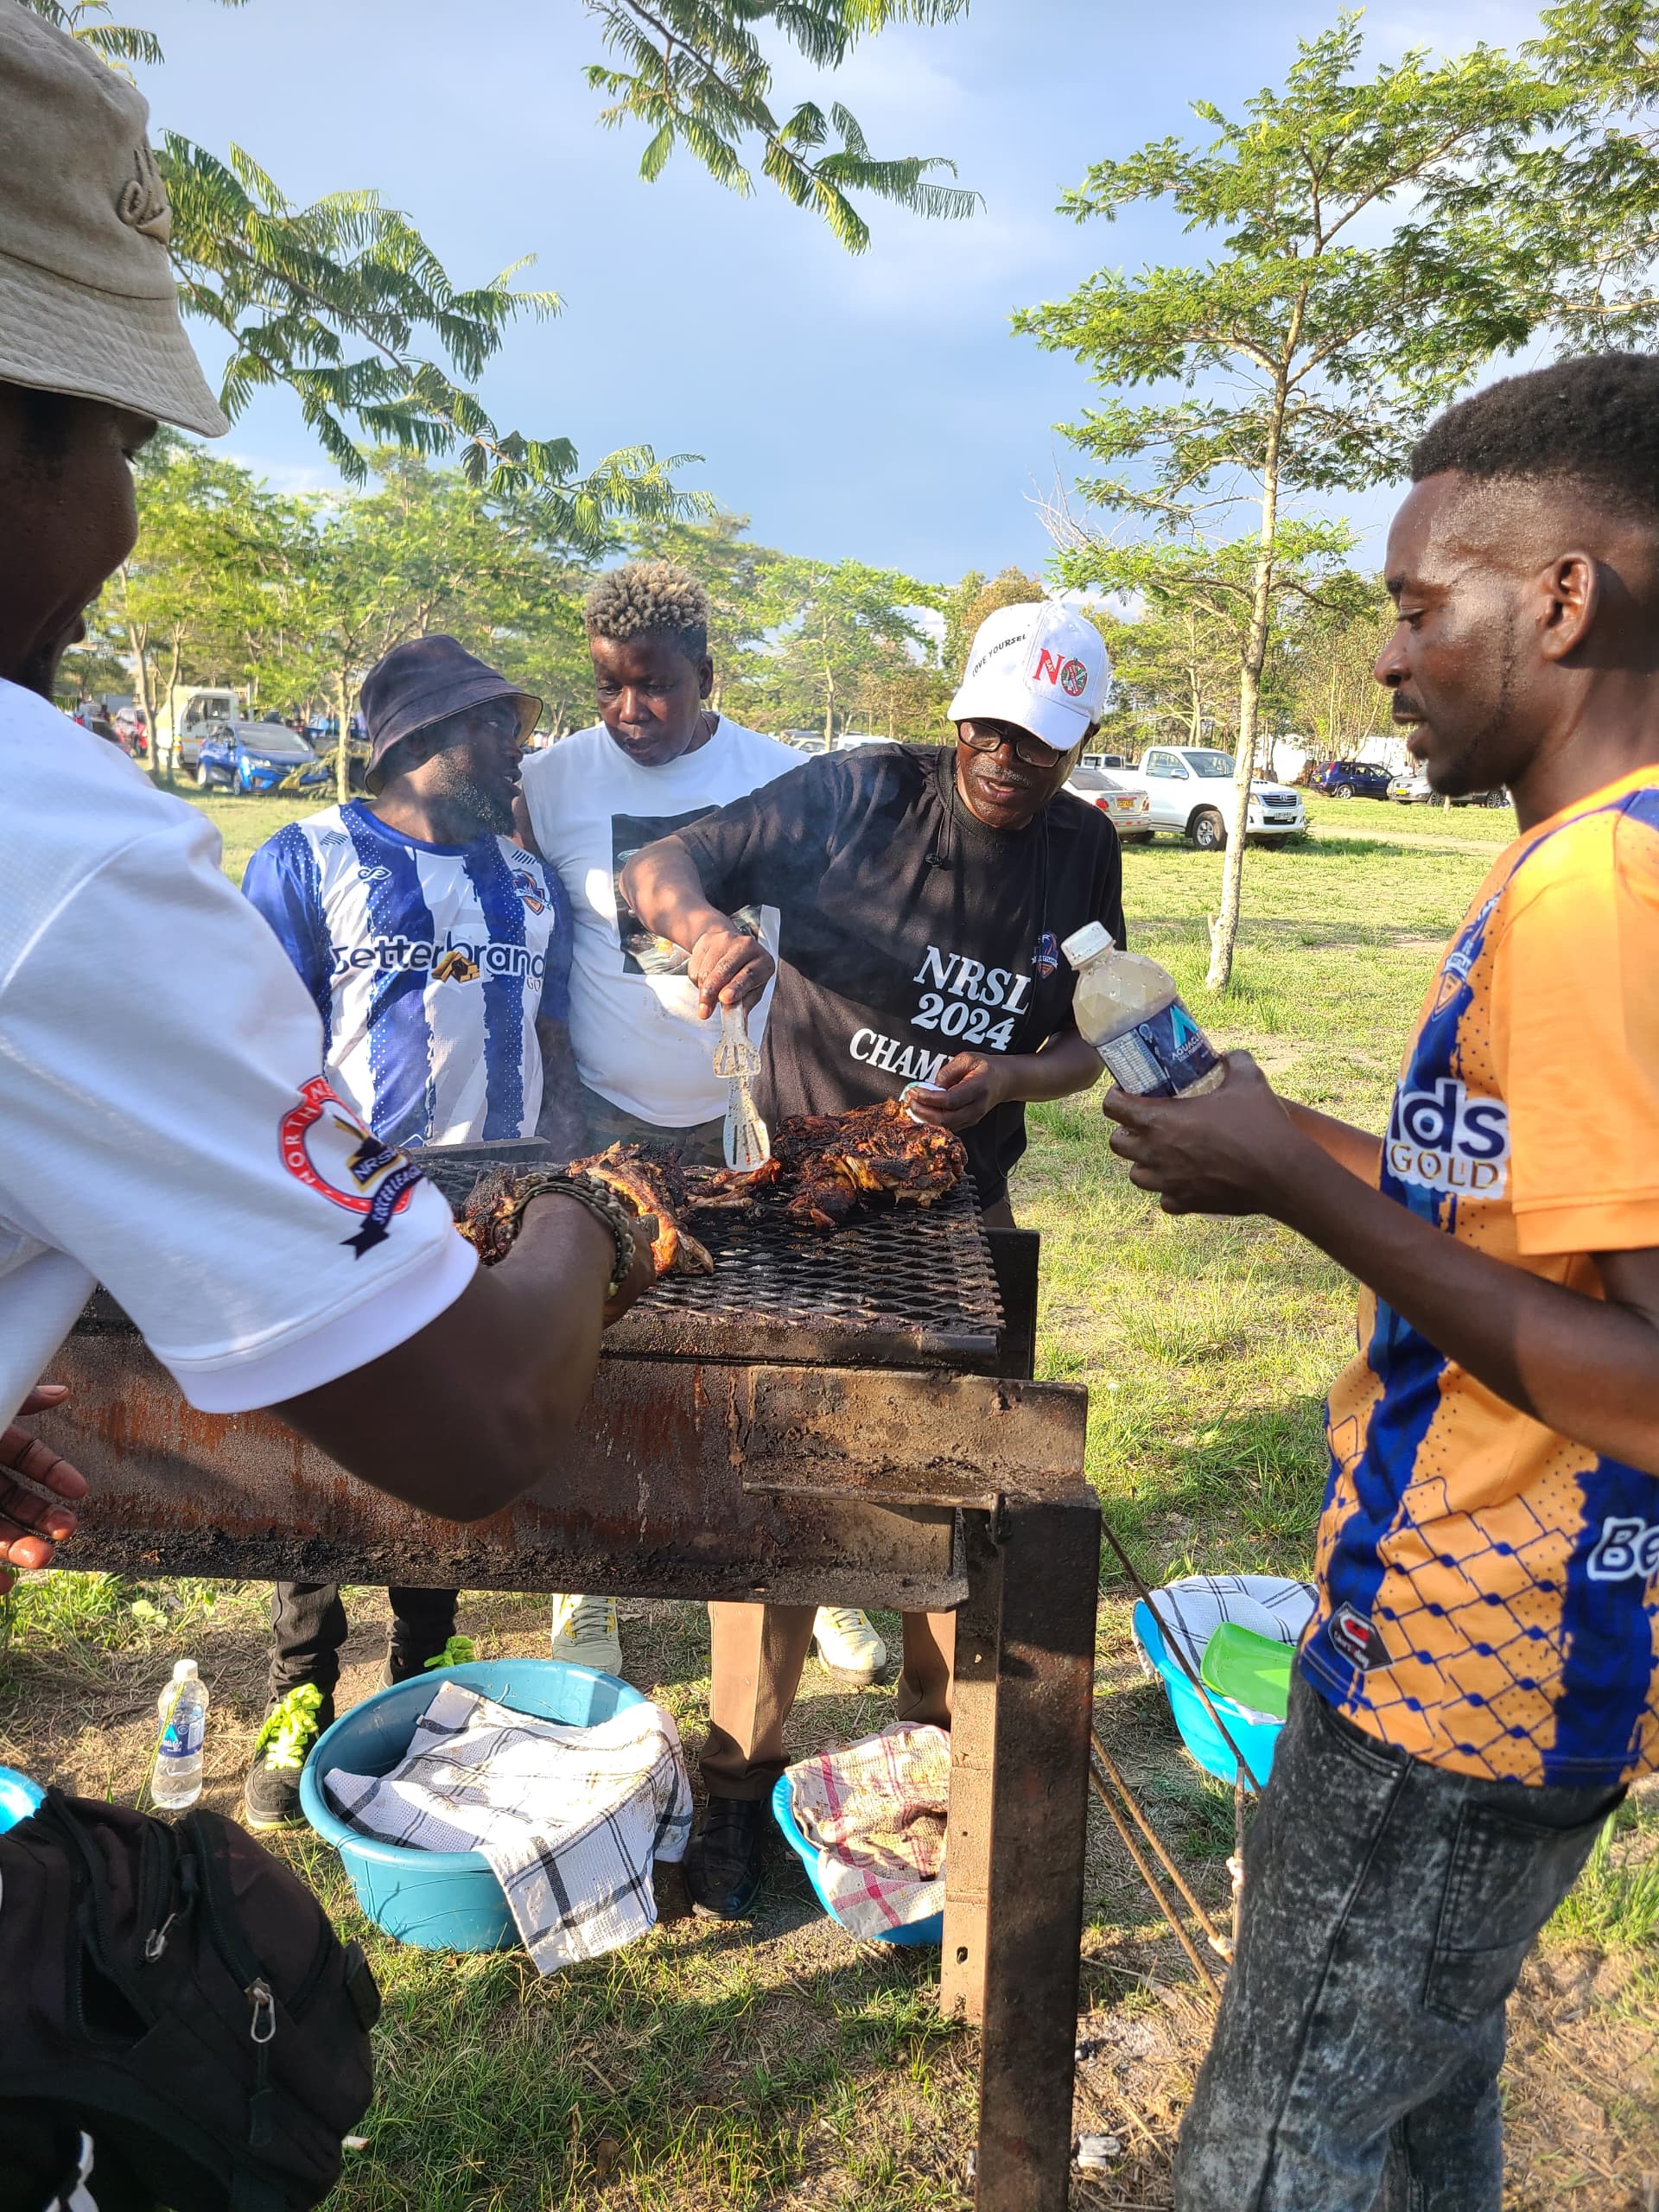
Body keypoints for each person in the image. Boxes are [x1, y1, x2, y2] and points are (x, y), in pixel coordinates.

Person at [0, 20, 650, 2202]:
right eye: (112, 437)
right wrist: (592, 1222)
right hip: (405, 1276)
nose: (121, 515)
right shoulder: (69, 846)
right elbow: (474, 1422)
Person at [1103, 353, 1659, 2212]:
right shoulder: (1609, 854)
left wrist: (1284, 1183)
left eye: (1425, 607)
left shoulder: (1596, 888)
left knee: (1272, 2152)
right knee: (1419, 2107)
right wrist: (1285, 1139)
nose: (1390, 656)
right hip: (1537, 1657)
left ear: (1562, 600)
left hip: (1468, 1660)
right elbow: (1507, 1204)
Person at [620, 596, 1124, 1914]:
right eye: (994, 727)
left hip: (961, 1209)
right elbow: (660, 863)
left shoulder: (1080, 851)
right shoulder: (859, 796)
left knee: (950, 1504)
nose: (1010, 757)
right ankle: (740, 1779)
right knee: (774, 1497)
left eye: (1044, 741)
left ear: (1078, 748)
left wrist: (1012, 1072)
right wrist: (709, 929)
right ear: (962, 710)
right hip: (803, 1188)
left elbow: (1093, 1036)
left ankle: (931, 1760)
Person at [516, 563, 887, 1690]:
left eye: (657, 688)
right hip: (611, 1116)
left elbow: (839, 937)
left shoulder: (782, 776)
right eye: (610, 686)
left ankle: (801, 1576)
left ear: (707, 676)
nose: (630, 710)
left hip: (750, 1117)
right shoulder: (554, 781)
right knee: (592, 1354)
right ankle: (587, 1586)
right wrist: (560, 1103)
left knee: (776, 1353)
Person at [238, 634, 583, 1827]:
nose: (515, 750)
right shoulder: (304, 859)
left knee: (445, 1436)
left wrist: (563, 1164)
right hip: (341, 1205)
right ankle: (297, 1693)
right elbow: (254, 1042)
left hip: (489, 1212)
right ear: (424, 744)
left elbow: (547, 1039)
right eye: (495, 730)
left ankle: (425, 1663)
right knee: (326, 1459)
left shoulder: (529, 883)